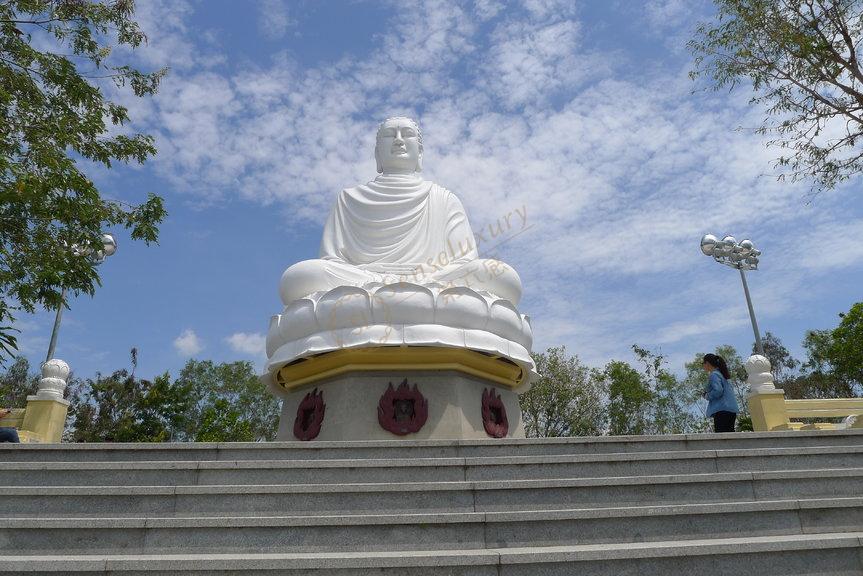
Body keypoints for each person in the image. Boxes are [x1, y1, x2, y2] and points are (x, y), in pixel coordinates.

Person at [702, 353, 739, 432]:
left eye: (703, 363)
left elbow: (718, 391)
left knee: (722, 438)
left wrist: (707, 396)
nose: (703, 366)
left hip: (721, 410)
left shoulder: (714, 375)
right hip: (731, 410)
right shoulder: (723, 375)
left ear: (707, 363)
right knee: (730, 437)